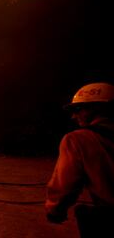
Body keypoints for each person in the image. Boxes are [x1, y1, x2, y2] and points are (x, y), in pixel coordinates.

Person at [45, 82, 114, 238]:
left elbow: (66, 182)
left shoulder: (78, 139)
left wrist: (55, 210)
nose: (73, 116)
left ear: (97, 108)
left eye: (78, 109)